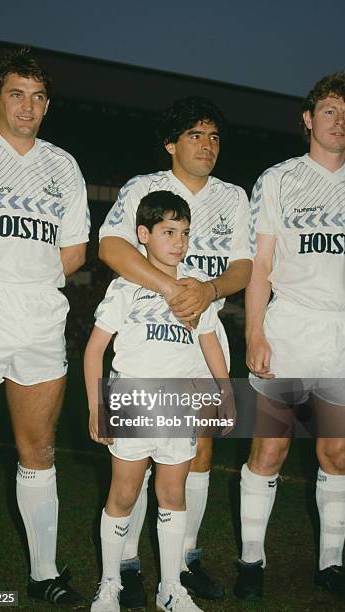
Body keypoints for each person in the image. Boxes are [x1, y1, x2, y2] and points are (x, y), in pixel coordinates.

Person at [98, 96, 253, 605]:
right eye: (195, 135)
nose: (207, 145)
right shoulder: (143, 188)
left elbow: (242, 268)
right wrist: (172, 290)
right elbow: (111, 247)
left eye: (213, 137)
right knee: (136, 462)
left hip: (199, 335)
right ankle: (125, 566)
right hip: (150, 334)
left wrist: (205, 291)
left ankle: (183, 563)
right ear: (171, 143)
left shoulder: (233, 196)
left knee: (194, 453)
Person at [0, 48, 90, 606]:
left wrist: (27, 277)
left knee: (40, 448)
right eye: (15, 94)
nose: (26, 106)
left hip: (39, 316)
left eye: (36, 97)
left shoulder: (63, 166)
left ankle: (43, 575)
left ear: (47, 105)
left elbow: (75, 250)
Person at [85, 191, 232, 611]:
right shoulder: (125, 286)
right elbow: (95, 350)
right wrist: (99, 406)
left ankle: (171, 589)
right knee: (124, 495)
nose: (179, 242)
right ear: (143, 235)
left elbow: (210, 345)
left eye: (185, 233)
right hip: (131, 397)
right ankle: (110, 584)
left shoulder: (194, 289)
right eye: (169, 232)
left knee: (172, 494)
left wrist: (225, 393)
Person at [235, 72, 345, 602]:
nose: (340, 120)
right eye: (330, 110)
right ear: (308, 119)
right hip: (290, 326)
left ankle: (330, 564)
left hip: (343, 334)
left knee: (339, 455)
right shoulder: (279, 179)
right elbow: (259, 264)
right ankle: (251, 559)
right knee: (270, 450)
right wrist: (255, 332)